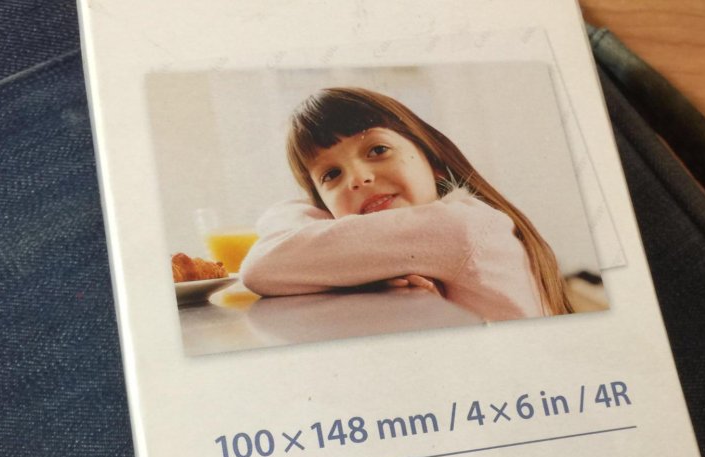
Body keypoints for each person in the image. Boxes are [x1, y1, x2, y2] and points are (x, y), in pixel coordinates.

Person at [240, 87, 573, 320]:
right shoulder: (425, 234)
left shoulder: (456, 227)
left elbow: (261, 266)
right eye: (331, 174)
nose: (358, 178)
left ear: (434, 161)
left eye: (377, 150)